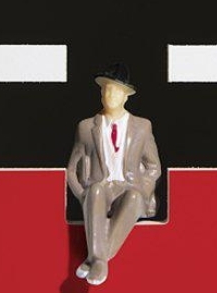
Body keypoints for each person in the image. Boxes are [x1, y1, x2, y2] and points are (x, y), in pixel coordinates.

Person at [66, 62, 161, 285]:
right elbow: (71, 169)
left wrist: (144, 189)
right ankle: (100, 260)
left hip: (131, 188)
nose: (110, 95)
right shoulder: (86, 127)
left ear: (126, 96)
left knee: (134, 197)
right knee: (95, 191)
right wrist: (83, 196)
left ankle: (96, 259)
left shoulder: (142, 127)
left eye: (116, 91)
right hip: (103, 187)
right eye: (106, 90)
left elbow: (153, 166)